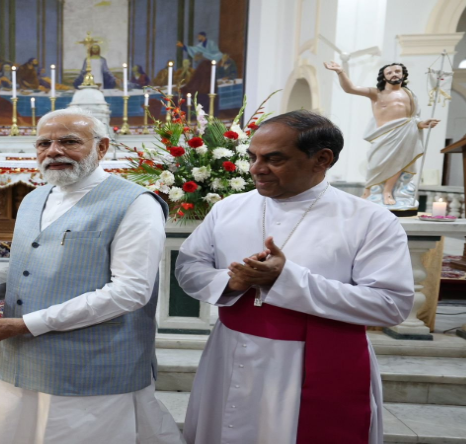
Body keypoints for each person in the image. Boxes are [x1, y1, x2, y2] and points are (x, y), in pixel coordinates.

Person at [175, 110, 414, 444]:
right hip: (229, 353)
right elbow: (188, 268)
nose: (257, 169)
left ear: (322, 159)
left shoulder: (370, 220)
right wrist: (233, 282)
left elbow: (391, 304)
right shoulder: (229, 208)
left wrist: (285, 280)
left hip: (312, 361)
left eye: (274, 159)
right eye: (253, 157)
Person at [0, 108, 184, 444]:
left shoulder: (135, 203)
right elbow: (26, 265)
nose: (53, 151)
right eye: (44, 143)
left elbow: (129, 292)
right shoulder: (32, 199)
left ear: (102, 147)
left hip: (92, 365)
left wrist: (28, 323)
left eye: (69, 141)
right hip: (21, 360)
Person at [324, 62, 439, 207]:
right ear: (384, 77)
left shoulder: (409, 94)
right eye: (389, 73)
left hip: (405, 134)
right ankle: (368, 191)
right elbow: (350, 88)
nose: (394, 74)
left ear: (403, 74)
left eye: (397, 71)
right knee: (376, 164)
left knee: (398, 163)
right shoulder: (376, 93)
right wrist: (340, 72)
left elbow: (413, 118)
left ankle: (388, 191)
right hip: (383, 135)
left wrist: (422, 124)